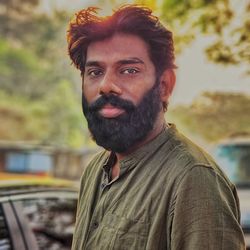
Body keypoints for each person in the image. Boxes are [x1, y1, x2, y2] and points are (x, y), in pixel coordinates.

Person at [67, 5, 245, 250]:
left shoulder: (194, 178)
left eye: (129, 70)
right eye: (95, 71)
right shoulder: (95, 170)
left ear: (164, 85)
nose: (106, 86)